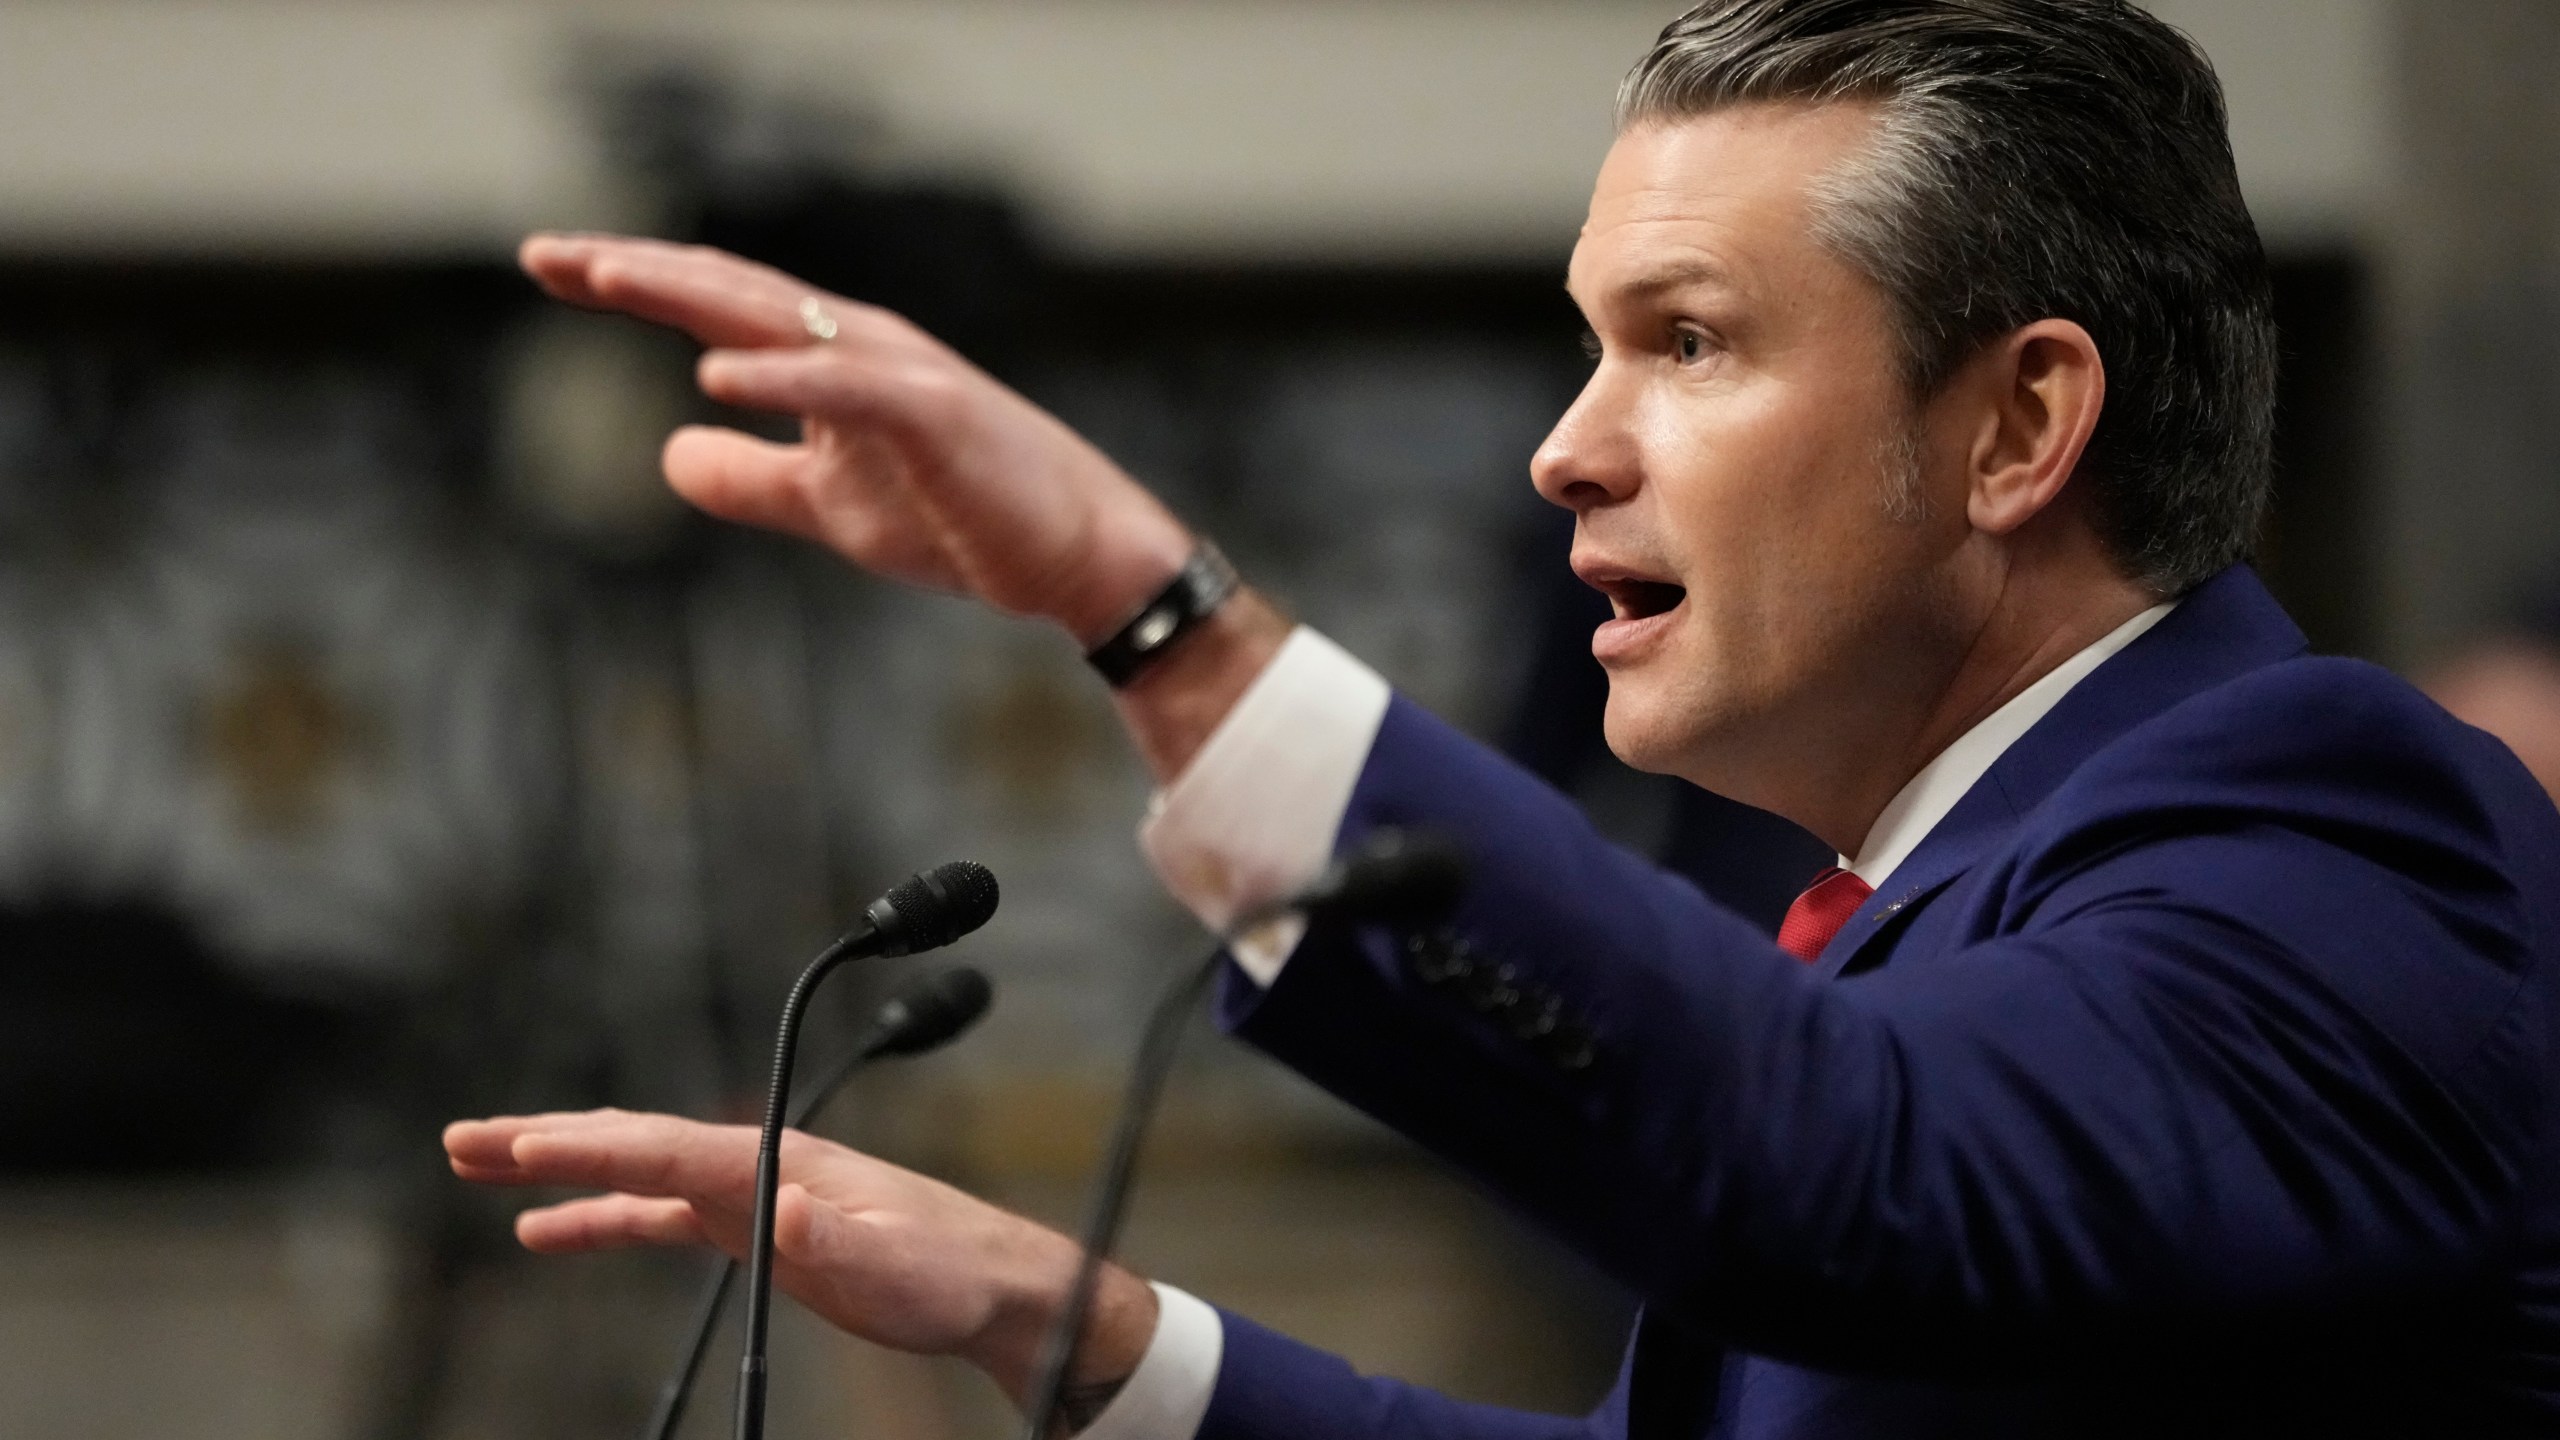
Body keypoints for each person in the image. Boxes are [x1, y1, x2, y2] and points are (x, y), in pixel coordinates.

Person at [444, 3, 2560, 1436]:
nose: (1566, 449)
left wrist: (1150, 608)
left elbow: (1850, 1168)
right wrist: (1079, 1330)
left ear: (2015, 425)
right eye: (1586, 347)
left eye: (1688, 344)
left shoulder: (2331, 832)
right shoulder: (1948, 901)